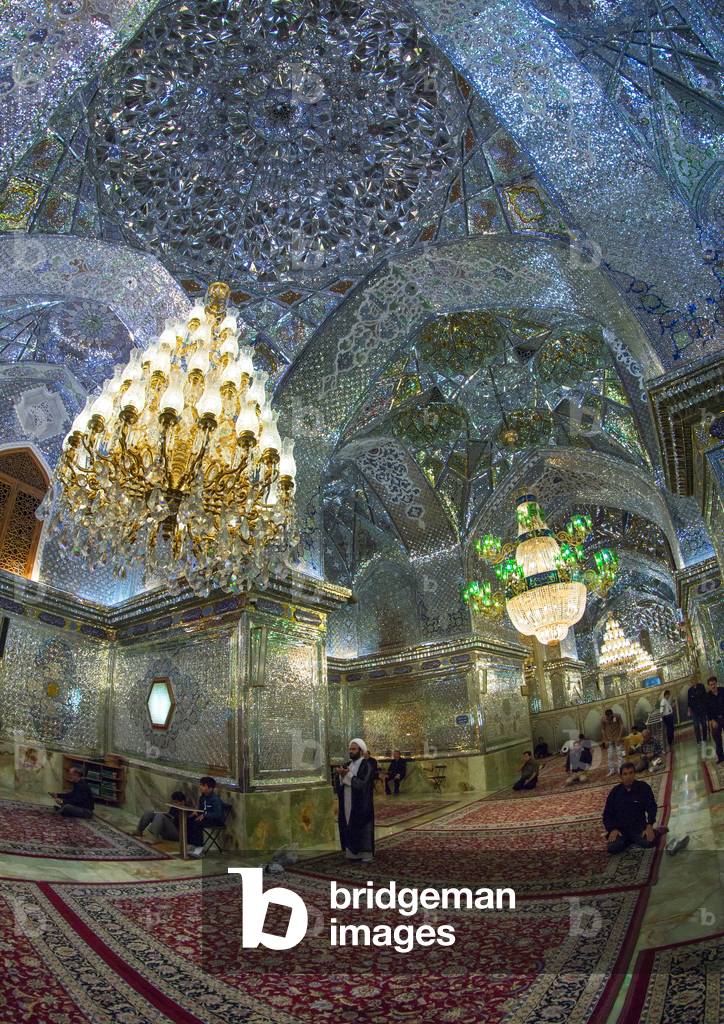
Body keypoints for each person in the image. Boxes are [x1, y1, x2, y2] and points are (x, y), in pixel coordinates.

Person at [603, 762, 658, 854]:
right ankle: (627, 840)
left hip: (638, 828)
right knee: (612, 848)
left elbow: (652, 807)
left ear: (634, 774)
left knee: (649, 842)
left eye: (631, 773)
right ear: (621, 776)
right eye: (625, 774)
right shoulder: (615, 792)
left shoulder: (643, 788)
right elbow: (607, 814)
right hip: (621, 830)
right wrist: (613, 829)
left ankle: (655, 832)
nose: (628, 776)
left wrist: (649, 825)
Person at [334, 738, 375, 862]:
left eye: (354, 749)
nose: (351, 751)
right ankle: (352, 852)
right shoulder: (348, 765)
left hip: (362, 803)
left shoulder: (366, 765)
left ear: (361, 751)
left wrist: (347, 775)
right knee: (348, 822)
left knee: (362, 825)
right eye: (350, 749)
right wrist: (341, 776)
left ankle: (365, 853)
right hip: (347, 800)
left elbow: (363, 784)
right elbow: (340, 783)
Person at [188, 776, 225, 858]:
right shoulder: (202, 797)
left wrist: (205, 815)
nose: (200, 787)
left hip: (214, 820)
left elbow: (218, 814)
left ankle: (199, 848)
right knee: (189, 820)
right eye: (200, 785)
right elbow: (202, 809)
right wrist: (196, 812)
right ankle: (192, 844)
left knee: (197, 823)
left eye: (203, 785)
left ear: (210, 788)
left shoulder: (215, 799)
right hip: (204, 818)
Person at [705, 675, 724, 764]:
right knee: (717, 738)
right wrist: (712, 721)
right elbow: (708, 710)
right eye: (711, 685)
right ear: (709, 686)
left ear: (716, 683)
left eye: (714, 684)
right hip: (715, 720)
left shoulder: (723, 691)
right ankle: (720, 756)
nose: (713, 686)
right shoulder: (708, 697)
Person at [601, 708, 624, 775]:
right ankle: (612, 769)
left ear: (612, 714)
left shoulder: (617, 716)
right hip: (609, 739)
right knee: (610, 755)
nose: (609, 718)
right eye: (608, 717)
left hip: (617, 738)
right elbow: (602, 730)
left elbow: (621, 725)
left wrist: (619, 737)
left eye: (610, 717)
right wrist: (605, 740)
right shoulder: (603, 719)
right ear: (606, 716)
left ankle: (620, 769)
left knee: (620, 754)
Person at [687, 678, 709, 745]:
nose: (693, 682)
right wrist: (689, 710)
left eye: (694, 680)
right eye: (692, 681)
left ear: (696, 680)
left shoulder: (701, 686)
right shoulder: (690, 690)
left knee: (704, 724)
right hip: (694, 711)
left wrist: (706, 705)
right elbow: (689, 701)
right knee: (696, 726)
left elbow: (705, 696)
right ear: (690, 682)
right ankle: (698, 740)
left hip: (702, 709)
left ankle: (704, 739)